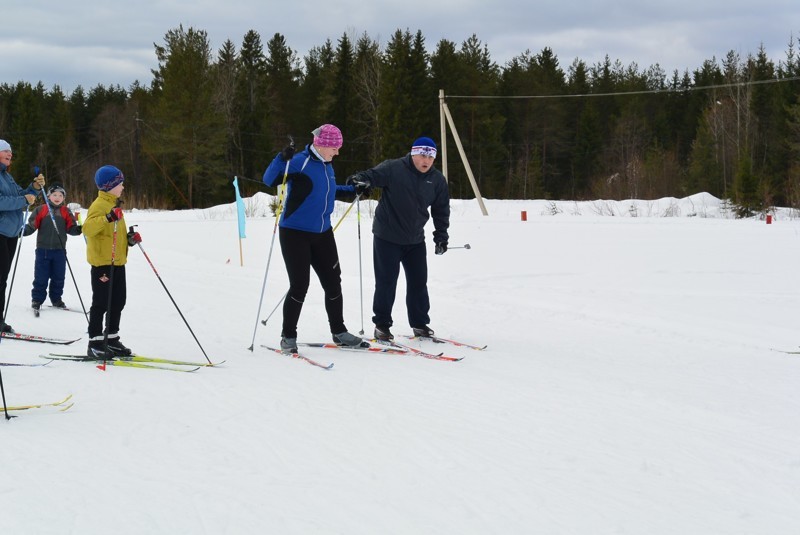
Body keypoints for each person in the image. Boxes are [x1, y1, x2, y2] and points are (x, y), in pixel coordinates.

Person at [262, 124, 366, 353]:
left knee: (333, 281)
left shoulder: (327, 164)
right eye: (335, 148)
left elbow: (326, 190)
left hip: (322, 234)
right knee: (300, 285)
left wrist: (352, 190)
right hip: (294, 233)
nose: (338, 152)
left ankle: (339, 331)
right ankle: (288, 336)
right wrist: (281, 158)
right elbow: (269, 180)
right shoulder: (300, 161)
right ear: (323, 144)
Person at [347, 136, 450, 342]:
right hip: (387, 237)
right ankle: (382, 326)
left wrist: (441, 236)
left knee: (419, 282)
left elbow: (441, 210)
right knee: (386, 282)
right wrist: (358, 180)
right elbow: (368, 176)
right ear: (413, 153)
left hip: (415, 240)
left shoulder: (437, 180)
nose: (426, 160)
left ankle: (420, 324)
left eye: (431, 157)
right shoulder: (394, 168)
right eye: (422, 155)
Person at [82, 165, 140, 357]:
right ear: (109, 186)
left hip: (118, 262)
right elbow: (88, 229)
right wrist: (107, 217)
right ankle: (95, 342)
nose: (123, 187)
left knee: (118, 301)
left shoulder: (114, 205)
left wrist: (130, 240)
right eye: (120, 183)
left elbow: (115, 235)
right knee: (101, 303)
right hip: (103, 264)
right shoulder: (99, 205)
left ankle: (112, 338)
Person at [0, 139, 45, 333]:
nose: (10, 154)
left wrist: (33, 188)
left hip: (10, 234)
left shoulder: (6, 177)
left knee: (3, 279)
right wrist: (22, 200)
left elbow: (22, 195)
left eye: (10, 151)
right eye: (5, 151)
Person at [23, 184, 82, 311]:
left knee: (59, 277)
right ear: (48, 196)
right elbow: (32, 225)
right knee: (41, 277)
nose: (57, 197)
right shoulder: (41, 209)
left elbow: (70, 227)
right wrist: (23, 231)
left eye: (60, 195)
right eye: (54, 195)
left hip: (59, 250)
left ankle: (56, 299)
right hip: (43, 250)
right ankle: (37, 299)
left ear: (63, 198)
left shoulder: (66, 211)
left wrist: (77, 230)